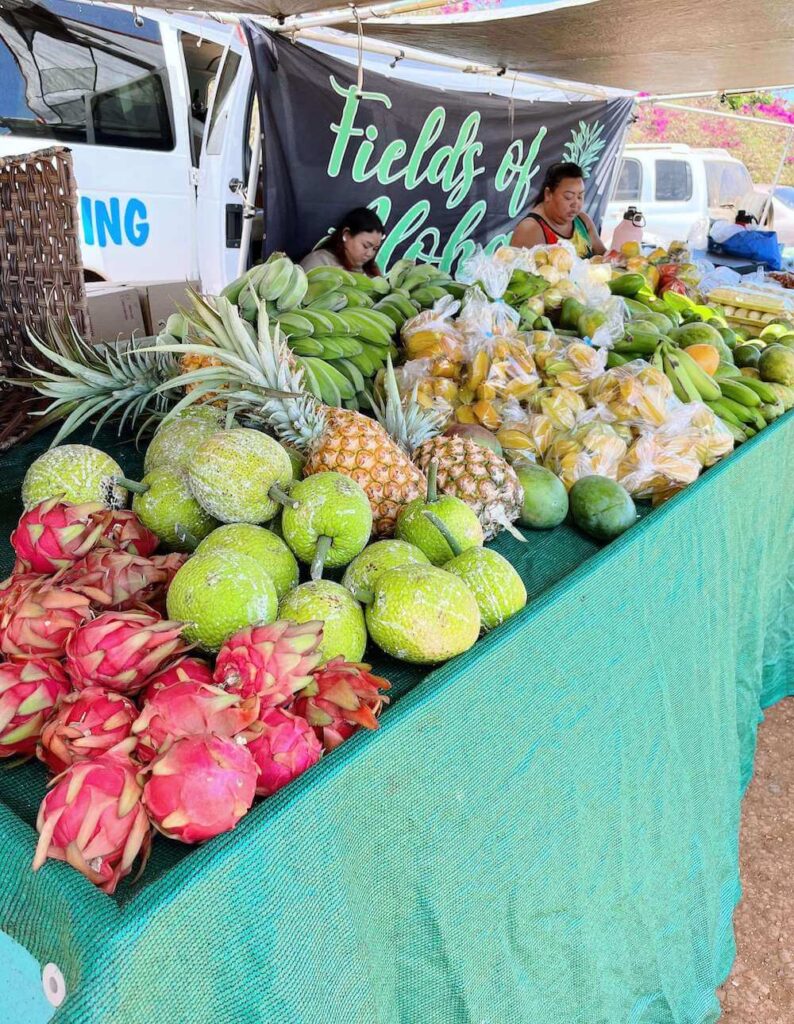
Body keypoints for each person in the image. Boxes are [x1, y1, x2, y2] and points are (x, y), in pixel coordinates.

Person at [511, 162, 606, 258]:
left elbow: (604, 257)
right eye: (568, 197)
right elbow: (521, 271)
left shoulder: (582, 221)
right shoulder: (530, 229)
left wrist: (617, 258)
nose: (575, 204)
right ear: (548, 194)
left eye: (580, 196)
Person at [300, 208, 385, 276]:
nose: (369, 254)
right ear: (346, 235)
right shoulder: (319, 263)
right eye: (365, 246)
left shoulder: (372, 271)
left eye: (375, 249)